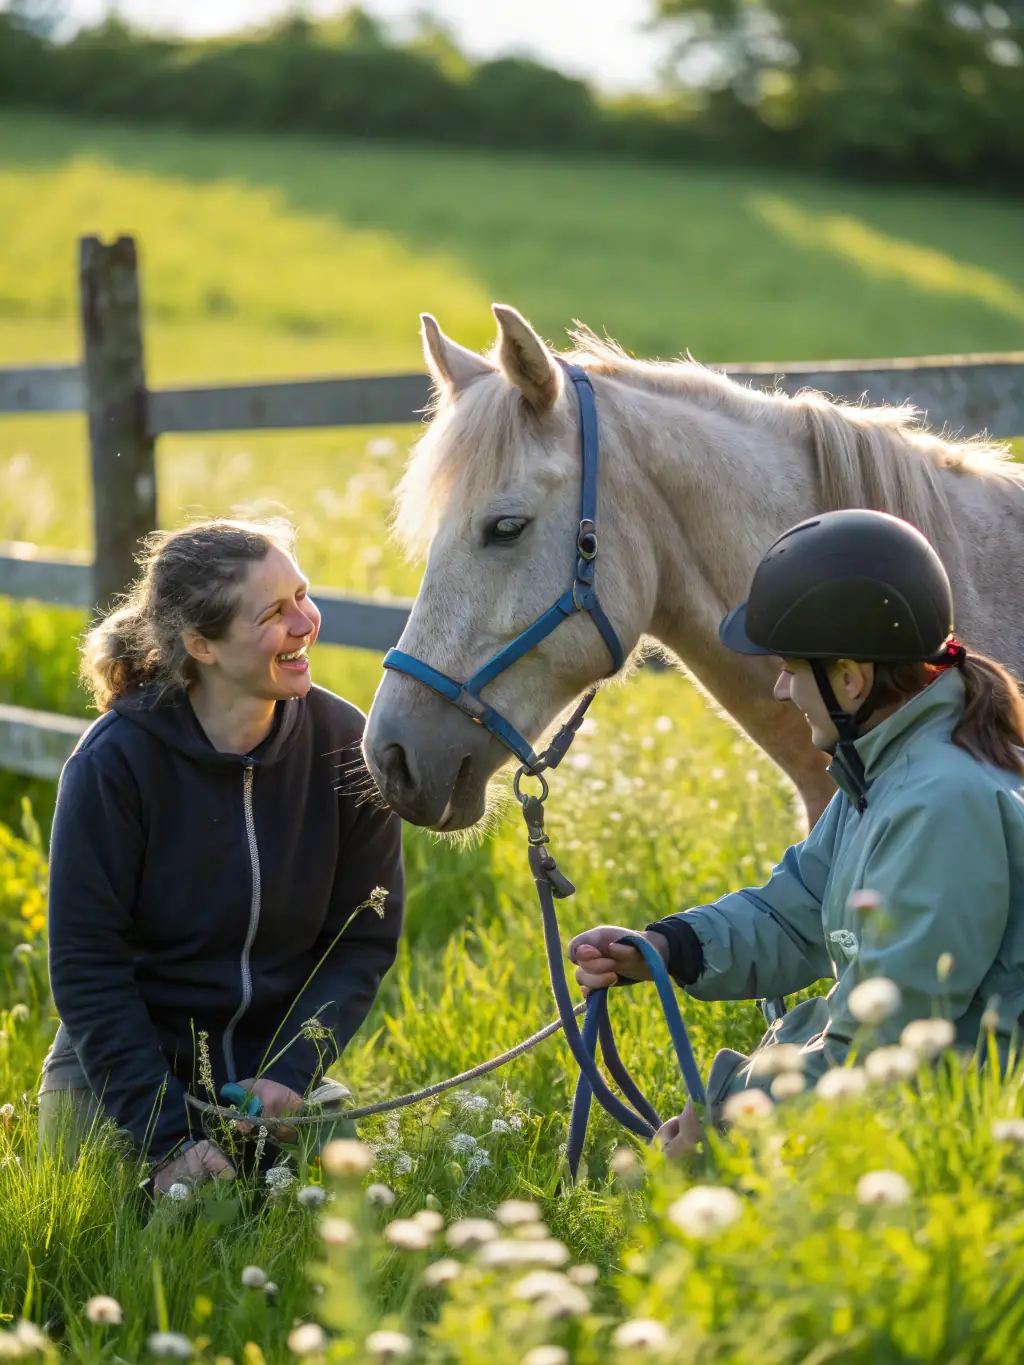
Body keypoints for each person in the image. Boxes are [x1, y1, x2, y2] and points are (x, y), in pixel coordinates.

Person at [570, 509, 1024, 1158]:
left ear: (849, 679)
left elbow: (886, 1038)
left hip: (967, 1141)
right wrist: (667, 949)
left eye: (791, 668)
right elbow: (799, 910)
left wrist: (729, 1115)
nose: (782, 689)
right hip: (926, 1111)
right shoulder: (888, 769)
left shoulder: (942, 804)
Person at [39, 519, 404, 1195]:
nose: (306, 622)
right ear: (200, 644)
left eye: (303, 594)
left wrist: (293, 1072)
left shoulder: (346, 745)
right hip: (121, 1074)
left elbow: (363, 939)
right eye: (273, 612)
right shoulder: (114, 764)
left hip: (268, 1079)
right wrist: (165, 1134)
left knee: (343, 1241)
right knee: (106, 1257)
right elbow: (87, 968)